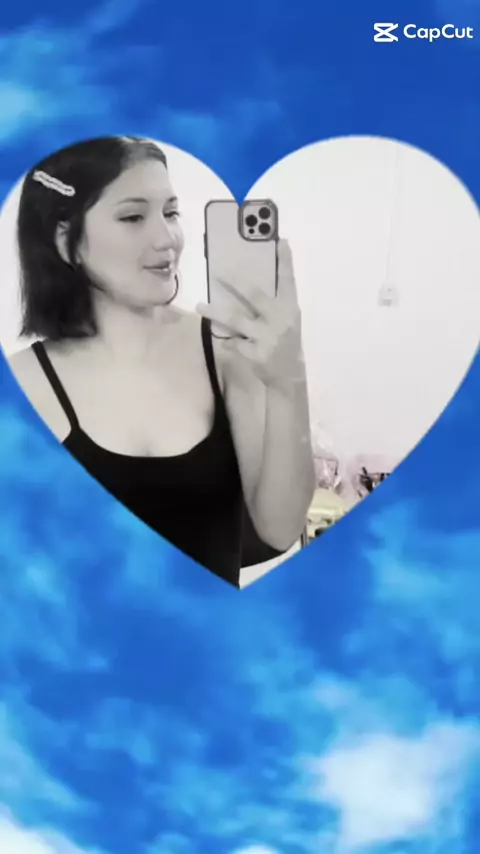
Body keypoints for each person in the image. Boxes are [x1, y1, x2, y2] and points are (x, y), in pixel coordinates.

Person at [8, 136, 315, 586]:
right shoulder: (23, 383)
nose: (168, 238)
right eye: (133, 217)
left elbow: (280, 529)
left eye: (171, 213)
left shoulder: (225, 349)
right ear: (66, 241)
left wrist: (289, 382)